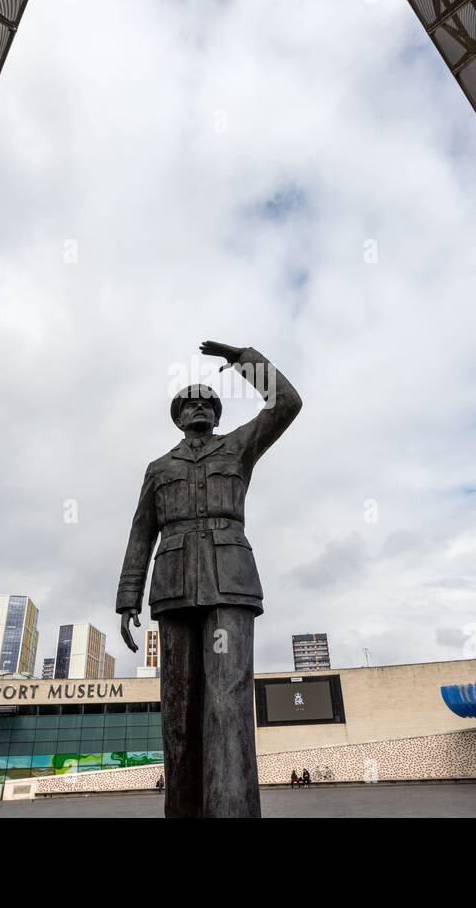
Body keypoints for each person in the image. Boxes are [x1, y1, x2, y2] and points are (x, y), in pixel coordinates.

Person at [116, 342, 302, 818]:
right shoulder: (158, 469)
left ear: (217, 415)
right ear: (177, 417)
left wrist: (244, 359)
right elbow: (141, 533)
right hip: (173, 589)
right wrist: (127, 598)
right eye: (189, 403)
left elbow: (287, 403)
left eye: (207, 402)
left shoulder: (239, 447)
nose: (198, 407)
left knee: (227, 700)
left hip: (230, 584)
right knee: (178, 710)